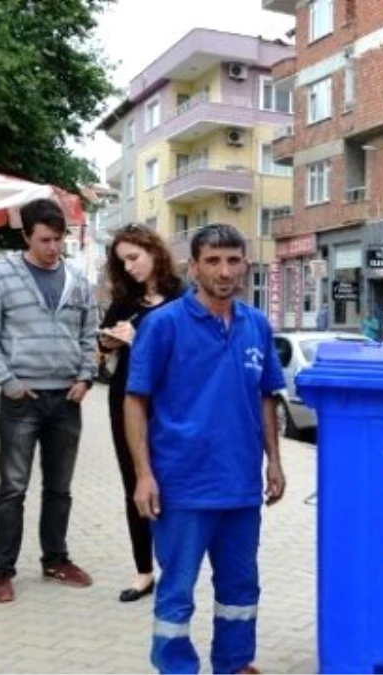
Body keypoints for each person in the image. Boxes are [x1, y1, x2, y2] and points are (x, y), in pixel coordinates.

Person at [124, 224, 286, 675]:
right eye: (212, 260)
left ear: (245, 265)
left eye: (233, 260)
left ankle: (234, 664)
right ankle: (176, 668)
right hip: (182, 486)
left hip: (240, 486)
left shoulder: (256, 325)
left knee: (240, 586)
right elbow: (134, 400)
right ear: (192, 267)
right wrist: (143, 474)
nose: (224, 270)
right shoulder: (163, 325)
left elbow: (266, 395)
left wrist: (274, 460)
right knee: (176, 589)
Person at [0, 198, 98, 604]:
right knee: (13, 488)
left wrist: (85, 377)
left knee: (59, 488)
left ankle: (56, 559)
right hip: (22, 399)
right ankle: (1, 571)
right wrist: (8, 382)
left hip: (67, 400)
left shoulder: (78, 280)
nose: (53, 248)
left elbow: (90, 334)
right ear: (25, 235)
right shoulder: (0, 277)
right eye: (44, 239)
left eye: (59, 239)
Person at [98, 223, 184, 603]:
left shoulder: (183, 297)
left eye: (134, 258)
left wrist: (143, 337)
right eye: (123, 262)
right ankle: (143, 571)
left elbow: (191, 349)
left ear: (154, 252)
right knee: (135, 481)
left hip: (170, 399)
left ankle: (176, 567)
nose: (130, 267)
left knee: (171, 480)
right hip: (126, 399)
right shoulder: (125, 301)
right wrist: (108, 341)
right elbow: (101, 349)